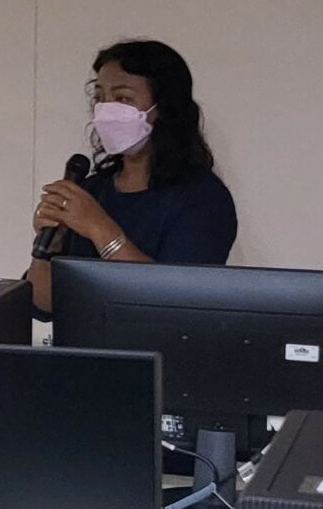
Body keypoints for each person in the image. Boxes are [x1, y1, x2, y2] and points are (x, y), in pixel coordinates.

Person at [27, 39, 236, 316]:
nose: (105, 111)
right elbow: (43, 304)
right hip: (83, 342)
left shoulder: (202, 199)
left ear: (164, 108)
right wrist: (47, 250)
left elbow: (173, 301)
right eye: (99, 98)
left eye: (123, 99)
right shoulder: (93, 189)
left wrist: (100, 229)